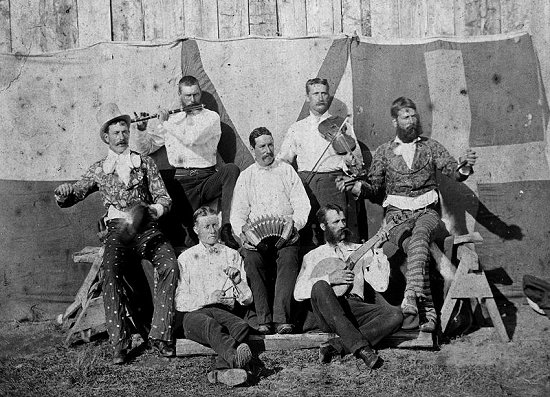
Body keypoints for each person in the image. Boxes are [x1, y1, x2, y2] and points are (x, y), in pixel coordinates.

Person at [337, 96, 478, 332]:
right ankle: (431, 316)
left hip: (427, 215)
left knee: (421, 234)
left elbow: (453, 171)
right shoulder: (383, 152)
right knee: (415, 245)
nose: (411, 120)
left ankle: (411, 297)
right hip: (396, 219)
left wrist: (465, 165)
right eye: (405, 117)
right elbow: (374, 189)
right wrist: (356, 187)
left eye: (414, 116)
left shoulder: (431, 146)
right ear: (395, 121)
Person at [54, 103, 178, 364]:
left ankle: (161, 335)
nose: (121, 137)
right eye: (116, 133)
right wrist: (64, 192)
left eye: (125, 131)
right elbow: (76, 192)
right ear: (106, 138)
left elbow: (164, 198)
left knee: (169, 264)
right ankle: (119, 344)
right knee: (109, 271)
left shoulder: (144, 163)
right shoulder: (99, 169)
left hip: (147, 228)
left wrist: (153, 211)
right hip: (118, 232)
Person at [134, 75, 239, 249]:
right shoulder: (173, 120)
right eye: (187, 96)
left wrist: (165, 123)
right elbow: (146, 150)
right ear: (180, 96)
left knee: (231, 169)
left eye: (196, 95)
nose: (192, 100)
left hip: (206, 180)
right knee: (158, 180)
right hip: (181, 183)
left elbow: (192, 138)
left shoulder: (211, 118)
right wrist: (141, 131)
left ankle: (227, 228)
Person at [294, 204, 403, 369]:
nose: (342, 225)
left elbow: (381, 285)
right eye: (335, 222)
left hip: (354, 308)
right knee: (321, 286)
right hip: (328, 310)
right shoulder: (313, 256)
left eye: (343, 220)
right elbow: (298, 293)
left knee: (395, 314)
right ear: (323, 226)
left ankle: (336, 346)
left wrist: (378, 250)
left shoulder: (360, 249)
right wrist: (329, 278)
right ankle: (363, 349)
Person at [230, 127, 311, 335]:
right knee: (251, 259)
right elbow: (237, 215)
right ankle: (263, 319)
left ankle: (282, 319)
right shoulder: (246, 177)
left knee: (289, 255)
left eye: (270, 145)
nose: (267, 150)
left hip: (285, 236)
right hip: (258, 240)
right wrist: (243, 235)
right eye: (262, 146)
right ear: (252, 148)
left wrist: (294, 226)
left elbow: (302, 205)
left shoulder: (286, 171)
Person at [278, 78, 364, 244]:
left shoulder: (341, 125)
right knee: (305, 235)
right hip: (304, 184)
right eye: (315, 93)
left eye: (324, 93)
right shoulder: (297, 128)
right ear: (307, 97)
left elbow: (357, 160)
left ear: (329, 96)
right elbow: (283, 160)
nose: (320, 97)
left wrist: (348, 160)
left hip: (332, 182)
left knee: (335, 234)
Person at [175, 206, 254, 387]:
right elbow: (179, 301)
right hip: (194, 315)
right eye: (206, 227)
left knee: (241, 326)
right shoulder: (185, 258)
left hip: (222, 311)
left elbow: (247, 299)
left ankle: (220, 372)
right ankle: (236, 359)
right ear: (196, 229)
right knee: (211, 325)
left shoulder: (232, 255)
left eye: (214, 225)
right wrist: (208, 298)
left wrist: (238, 281)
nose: (212, 231)